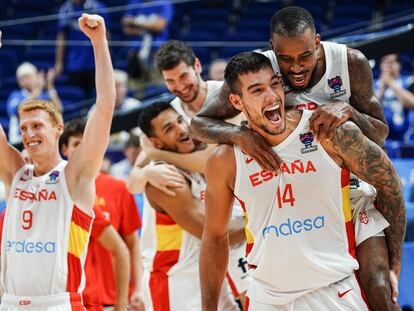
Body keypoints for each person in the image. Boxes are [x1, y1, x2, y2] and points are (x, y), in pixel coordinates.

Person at [190, 6, 405, 305]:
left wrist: (349, 111)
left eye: (304, 56)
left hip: (348, 180)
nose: (295, 69)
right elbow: (199, 123)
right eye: (286, 60)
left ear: (317, 42)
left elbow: (380, 134)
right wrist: (240, 135)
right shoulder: (258, 69)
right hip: (291, 178)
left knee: (379, 284)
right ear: (272, 50)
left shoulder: (349, 62)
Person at [0, 13, 115, 309]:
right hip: (10, 303)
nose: (29, 134)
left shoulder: (74, 176)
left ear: (58, 128)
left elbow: (104, 106)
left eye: (37, 125)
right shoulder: (16, 173)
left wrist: (99, 42)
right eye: (24, 128)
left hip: (58, 303)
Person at [128, 40, 249, 306]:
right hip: (221, 226)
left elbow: (208, 161)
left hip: (245, 201)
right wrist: (149, 171)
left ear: (197, 66)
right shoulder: (171, 112)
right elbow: (133, 183)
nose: (180, 86)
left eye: (183, 76)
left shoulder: (229, 96)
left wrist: (158, 156)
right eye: (171, 81)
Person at [136, 101, 245, 311]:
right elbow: (215, 234)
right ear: (156, 143)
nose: (180, 129)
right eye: (169, 128)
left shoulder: (193, 159)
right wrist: (263, 220)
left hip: (210, 272)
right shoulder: (165, 177)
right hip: (177, 283)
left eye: (179, 121)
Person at [60, 119, 144, 311]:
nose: (82, 149)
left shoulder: (119, 188)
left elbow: (132, 244)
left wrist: (138, 289)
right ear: (64, 149)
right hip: (74, 299)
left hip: (115, 299)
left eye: (87, 143)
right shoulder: (56, 191)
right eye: (75, 144)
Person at [55, 0, 109, 98]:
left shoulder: (96, 6)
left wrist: (105, 58)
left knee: (96, 95)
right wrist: (59, 62)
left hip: (94, 61)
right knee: (76, 96)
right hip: (74, 62)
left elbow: (106, 32)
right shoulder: (66, 8)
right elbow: (61, 36)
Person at [7, 62, 62, 144]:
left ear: (36, 76)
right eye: (23, 78)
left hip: (42, 137)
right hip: (19, 140)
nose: (26, 81)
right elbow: (20, 109)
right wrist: (37, 89)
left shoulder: (44, 95)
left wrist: (50, 86)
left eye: (29, 77)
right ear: (19, 81)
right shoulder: (15, 95)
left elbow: (59, 109)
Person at [122, 0, 173, 81]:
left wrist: (135, 22)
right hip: (135, 52)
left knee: (157, 85)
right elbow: (126, 27)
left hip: (157, 52)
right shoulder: (134, 2)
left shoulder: (164, 3)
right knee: (136, 85)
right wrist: (150, 25)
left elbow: (159, 26)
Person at [375, 53, 414, 140]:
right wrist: (382, 89)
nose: (389, 65)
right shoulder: (372, 84)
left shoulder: (408, 81)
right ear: (381, 64)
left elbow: (412, 102)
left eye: (393, 61)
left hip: (404, 136)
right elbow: (368, 108)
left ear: (399, 65)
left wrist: (391, 83)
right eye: (386, 61)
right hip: (381, 137)